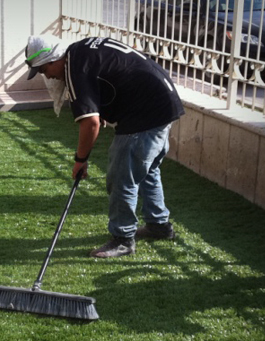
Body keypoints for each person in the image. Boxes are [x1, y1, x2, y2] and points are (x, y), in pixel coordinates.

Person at [25, 35, 185, 258]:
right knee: (147, 169)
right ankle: (159, 225)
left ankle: (122, 239)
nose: (48, 76)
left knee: (121, 177)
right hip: (163, 102)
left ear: (54, 59)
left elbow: (91, 123)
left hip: (146, 112)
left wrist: (80, 160)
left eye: (44, 70)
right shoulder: (81, 50)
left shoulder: (75, 69)